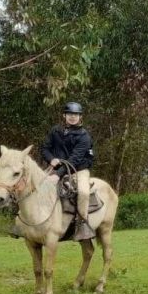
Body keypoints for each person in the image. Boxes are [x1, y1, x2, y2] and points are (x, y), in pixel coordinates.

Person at [41, 102, 95, 240]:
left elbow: (74, 160)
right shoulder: (55, 130)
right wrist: (51, 159)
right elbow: (45, 148)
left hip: (79, 169)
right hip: (58, 167)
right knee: (33, 184)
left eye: (76, 114)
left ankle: (82, 225)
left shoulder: (84, 136)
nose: (73, 117)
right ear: (64, 115)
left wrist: (57, 175)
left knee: (83, 192)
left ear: (80, 117)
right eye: (70, 114)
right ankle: (23, 221)